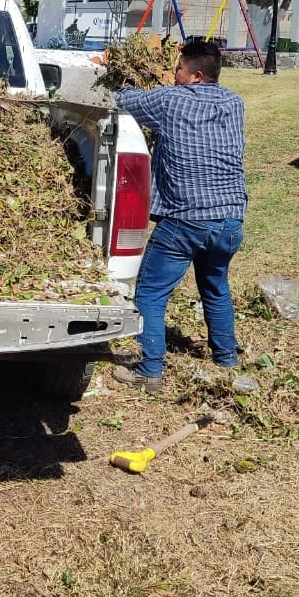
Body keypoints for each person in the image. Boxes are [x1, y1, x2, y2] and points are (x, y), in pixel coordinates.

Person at [112, 36, 247, 394]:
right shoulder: (235, 103)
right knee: (215, 287)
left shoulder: (170, 100)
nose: (173, 74)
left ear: (197, 75)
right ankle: (226, 360)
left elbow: (124, 101)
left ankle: (149, 371)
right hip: (231, 220)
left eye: (178, 69)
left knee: (151, 295)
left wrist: (121, 80)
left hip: (186, 220)